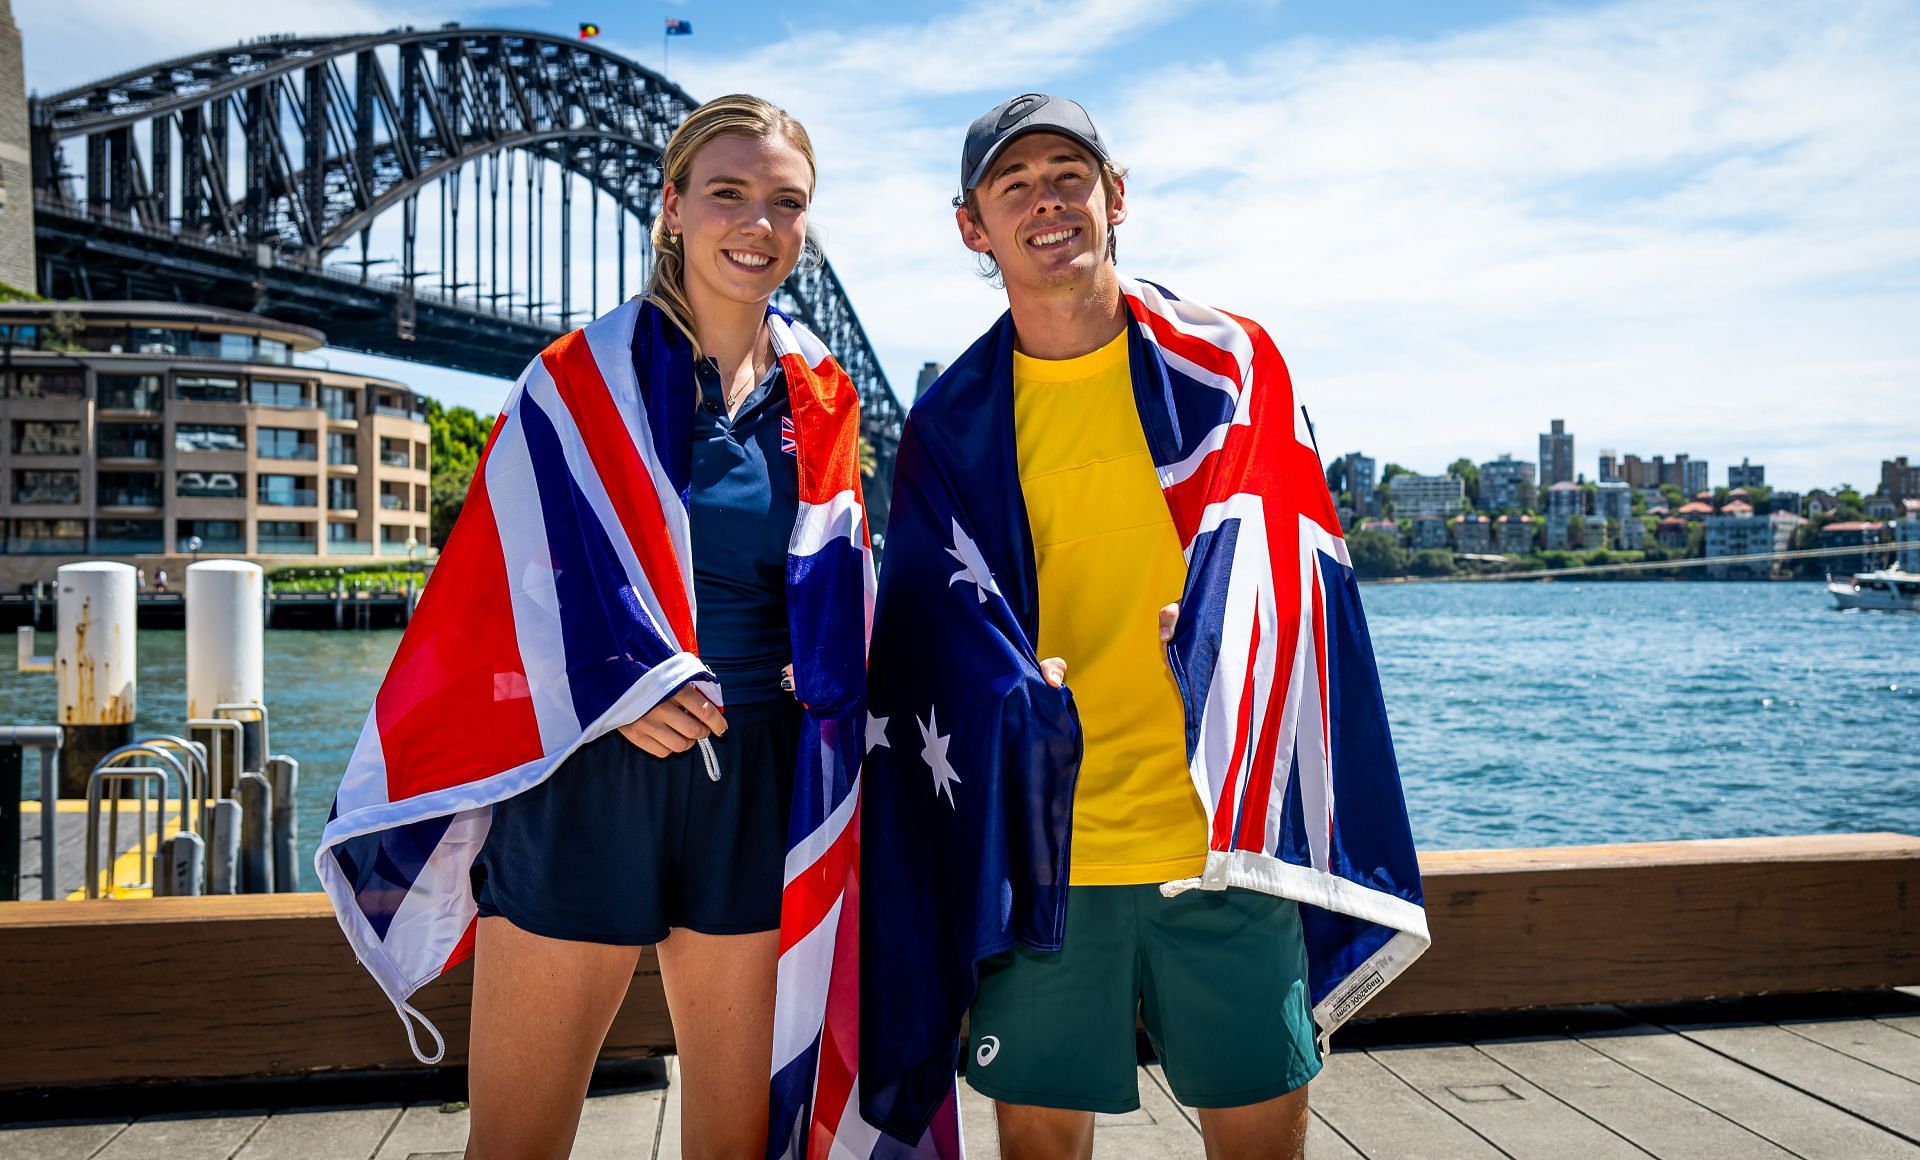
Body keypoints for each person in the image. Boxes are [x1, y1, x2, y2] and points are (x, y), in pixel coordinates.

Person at [859, 94, 1428, 1160]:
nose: (1046, 201)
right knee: (1036, 1141)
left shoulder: (1234, 365)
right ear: (971, 226)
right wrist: (1008, 683)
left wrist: (1222, 624)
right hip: (1045, 849)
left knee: (1261, 1137)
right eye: (1013, 183)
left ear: (1115, 196)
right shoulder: (950, 421)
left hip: (1220, 835)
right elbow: (929, 628)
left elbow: (1298, 563)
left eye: (1069, 175)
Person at [314, 94, 878, 1160]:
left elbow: (847, 606)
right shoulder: (570, 382)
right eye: (727, 193)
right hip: (585, 777)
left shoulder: (826, 400)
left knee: (739, 1142)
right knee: (517, 1141)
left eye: (785, 202)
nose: (757, 222)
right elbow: (494, 582)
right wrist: (620, 681)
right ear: (671, 207)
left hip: (755, 782)